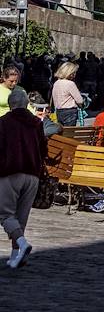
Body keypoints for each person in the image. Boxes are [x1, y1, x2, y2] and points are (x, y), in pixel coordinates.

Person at [0, 88, 43, 267]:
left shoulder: (4, 122)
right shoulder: (36, 123)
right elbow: (43, 148)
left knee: (5, 214)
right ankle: (16, 255)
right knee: (21, 216)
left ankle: (22, 243)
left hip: (10, 171)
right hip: (33, 173)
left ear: (11, 105)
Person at [51, 62, 84, 126]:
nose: (75, 74)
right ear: (70, 73)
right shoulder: (70, 84)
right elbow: (80, 100)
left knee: (62, 132)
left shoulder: (56, 83)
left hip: (58, 111)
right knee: (70, 133)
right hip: (69, 112)